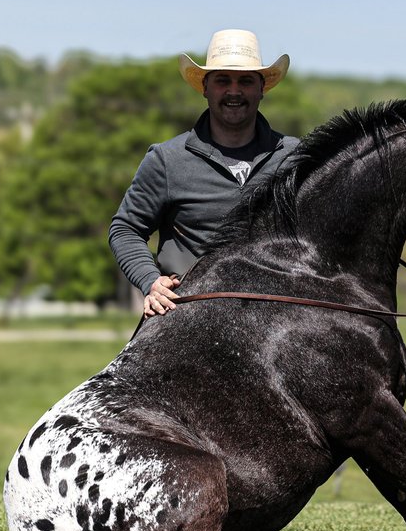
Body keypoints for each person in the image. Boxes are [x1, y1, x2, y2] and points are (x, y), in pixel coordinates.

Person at [108, 29, 300, 318]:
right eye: (223, 80)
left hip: (278, 317)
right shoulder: (166, 160)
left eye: (245, 81)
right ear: (205, 87)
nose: (234, 91)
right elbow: (125, 229)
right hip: (188, 314)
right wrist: (150, 281)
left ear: (261, 88)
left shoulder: (295, 157)